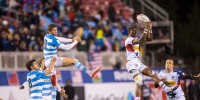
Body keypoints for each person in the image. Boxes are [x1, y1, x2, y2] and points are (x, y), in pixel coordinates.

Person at [125, 22, 177, 100]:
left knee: (152, 73)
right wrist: (146, 28)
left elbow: (150, 39)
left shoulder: (136, 39)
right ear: (129, 32)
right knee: (139, 81)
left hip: (138, 63)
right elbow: (142, 39)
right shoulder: (128, 40)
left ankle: (162, 85)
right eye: (132, 31)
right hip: (130, 63)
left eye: (135, 31)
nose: (134, 32)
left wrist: (150, 29)